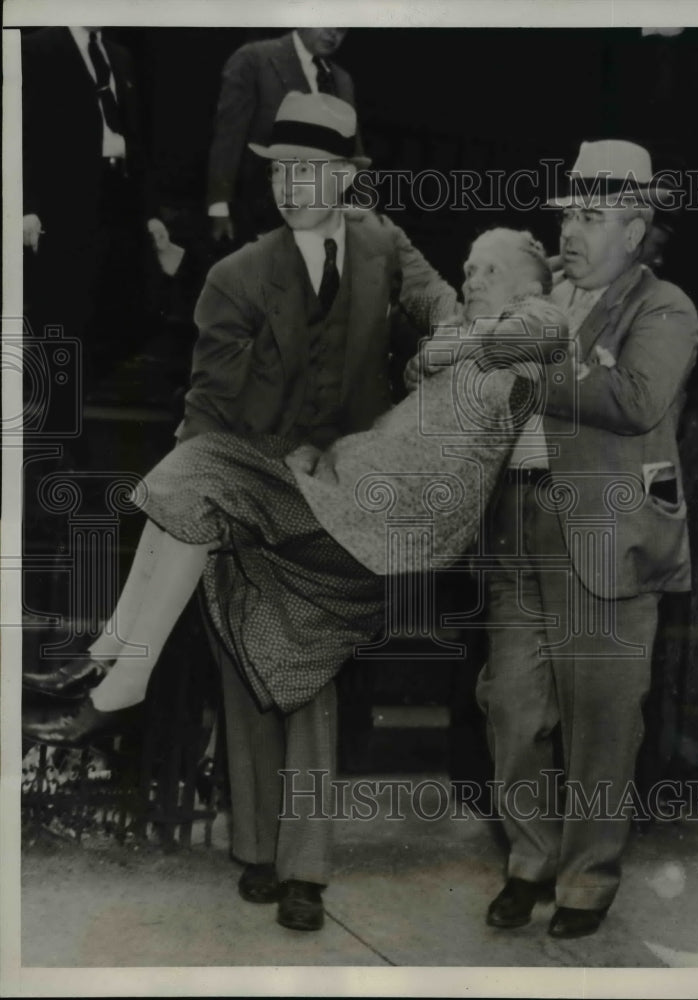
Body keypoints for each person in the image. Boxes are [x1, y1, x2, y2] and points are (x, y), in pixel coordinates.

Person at [22, 222, 565, 926]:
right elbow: (411, 288)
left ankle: (127, 677)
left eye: (489, 269)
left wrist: (447, 343)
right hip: (328, 494)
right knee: (220, 558)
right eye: (470, 266)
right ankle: (132, 680)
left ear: (530, 282)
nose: (472, 277)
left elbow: (532, 327)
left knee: (205, 486)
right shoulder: (395, 303)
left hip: (379, 523)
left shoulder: (528, 330)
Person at [23, 88, 458, 934]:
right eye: (280, 171)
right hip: (254, 487)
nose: (292, 187)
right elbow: (210, 407)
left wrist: (458, 341)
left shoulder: (383, 244)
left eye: (310, 171)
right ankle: (257, 850)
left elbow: (442, 306)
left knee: (309, 682)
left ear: (347, 178)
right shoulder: (238, 275)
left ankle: (303, 870)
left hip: (342, 505)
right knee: (248, 675)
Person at [468, 140, 698, 940]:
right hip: (517, 527)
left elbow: (634, 399)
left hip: (607, 535)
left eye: (593, 217)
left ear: (634, 232)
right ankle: (529, 860)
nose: (571, 230)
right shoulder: (546, 298)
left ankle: (586, 879)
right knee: (510, 709)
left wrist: (528, 360)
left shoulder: (665, 307)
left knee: (602, 722)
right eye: (569, 213)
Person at [22, 26, 168, 388]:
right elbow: (20, 132)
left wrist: (150, 212)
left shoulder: (119, 56)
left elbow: (138, 138)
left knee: (114, 302)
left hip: (119, 195)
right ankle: (58, 401)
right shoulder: (36, 48)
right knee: (61, 305)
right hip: (62, 197)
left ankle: (85, 392)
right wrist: (26, 206)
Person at [207, 28, 358, 246]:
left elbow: (353, 151)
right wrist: (219, 206)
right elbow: (228, 136)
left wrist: (363, 209)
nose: (333, 33)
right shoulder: (254, 59)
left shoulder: (342, 79)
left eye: (342, 28)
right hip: (261, 211)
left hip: (323, 217)